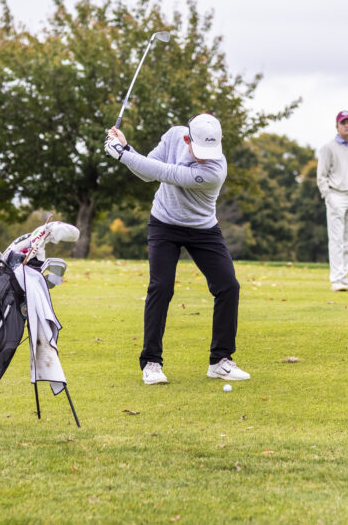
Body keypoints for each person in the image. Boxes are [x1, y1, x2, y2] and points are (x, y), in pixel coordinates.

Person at [105, 113, 250, 386]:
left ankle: (220, 361)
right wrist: (127, 150)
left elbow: (165, 173)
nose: (207, 156)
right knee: (161, 287)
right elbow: (149, 172)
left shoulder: (214, 170)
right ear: (187, 139)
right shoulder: (174, 136)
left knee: (228, 286)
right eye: (201, 149)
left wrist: (123, 154)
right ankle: (151, 362)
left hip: (203, 229)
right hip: (164, 224)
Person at [316, 110, 348, 292]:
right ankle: (336, 279)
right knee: (336, 239)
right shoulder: (328, 148)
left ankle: (343, 278)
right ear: (337, 126)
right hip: (336, 195)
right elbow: (321, 175)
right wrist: (327, 195)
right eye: (343, 122)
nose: (347, 125)